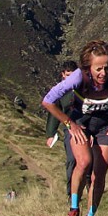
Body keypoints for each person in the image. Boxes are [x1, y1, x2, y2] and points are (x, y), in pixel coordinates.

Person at [42, 40, 108, 216]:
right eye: (98, 69)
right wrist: (70, 124)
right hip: (81, 123)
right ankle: (73, 210)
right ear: (88, 68)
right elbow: (48, 101)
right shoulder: (77, 77)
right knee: (84, 162)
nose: (104, 73)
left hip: (106, 125)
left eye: (107, 67)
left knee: (99, 172)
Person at [44, 60, 85, 197]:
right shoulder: (60, 91)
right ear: (63, 74)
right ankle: (71, 194)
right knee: (72, 160)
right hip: (69, 128)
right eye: (68, 75)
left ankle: (91, 190)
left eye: (73, 75)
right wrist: (50, 134)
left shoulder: (83, 87)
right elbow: (54, 112)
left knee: (89, 161)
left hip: (86, 125)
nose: (71, 78)